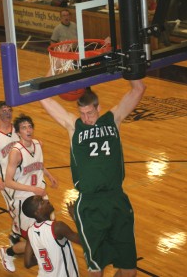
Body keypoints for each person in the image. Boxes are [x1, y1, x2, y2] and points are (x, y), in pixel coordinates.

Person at [40, 71, 146, 277]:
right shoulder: (73, 125)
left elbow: (139, 89)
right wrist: (51, 74)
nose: (86, 118)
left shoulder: (113, 119)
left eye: (90, 113)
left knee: (130, 270)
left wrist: (128, 63)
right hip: (90, 204)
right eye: (82, 114)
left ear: (98, 107)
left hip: (117, 200)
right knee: (96, 270)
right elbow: (44, 97)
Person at [0, 114, 57, 273]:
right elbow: (8, 182)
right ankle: (8, 252)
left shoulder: (39, 144)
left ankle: (16, 236)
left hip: (40, 196)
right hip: (23, 200)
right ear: (18, 133)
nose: (28, 130)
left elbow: (38, 164)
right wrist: (33, 189)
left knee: (49, 229)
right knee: (33, 239)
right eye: (24, 128)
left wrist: (49, 176)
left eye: (30, 126)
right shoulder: (16, 152)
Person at [23, 195, 80, 277]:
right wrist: (76, 217)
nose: (46, 200)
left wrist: (47, 257)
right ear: (37, 212)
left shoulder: (30, 231)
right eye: (42, 202)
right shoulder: (57, 227)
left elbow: (28, 263)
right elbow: (85, 242)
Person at [0, 101, 20, 244]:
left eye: (9, 109)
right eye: (4, 110)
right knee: (15, 207)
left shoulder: (18, 129)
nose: (8, 112)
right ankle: (15, 233)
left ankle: (19, 231)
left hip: (22, 174)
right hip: (6, 180)